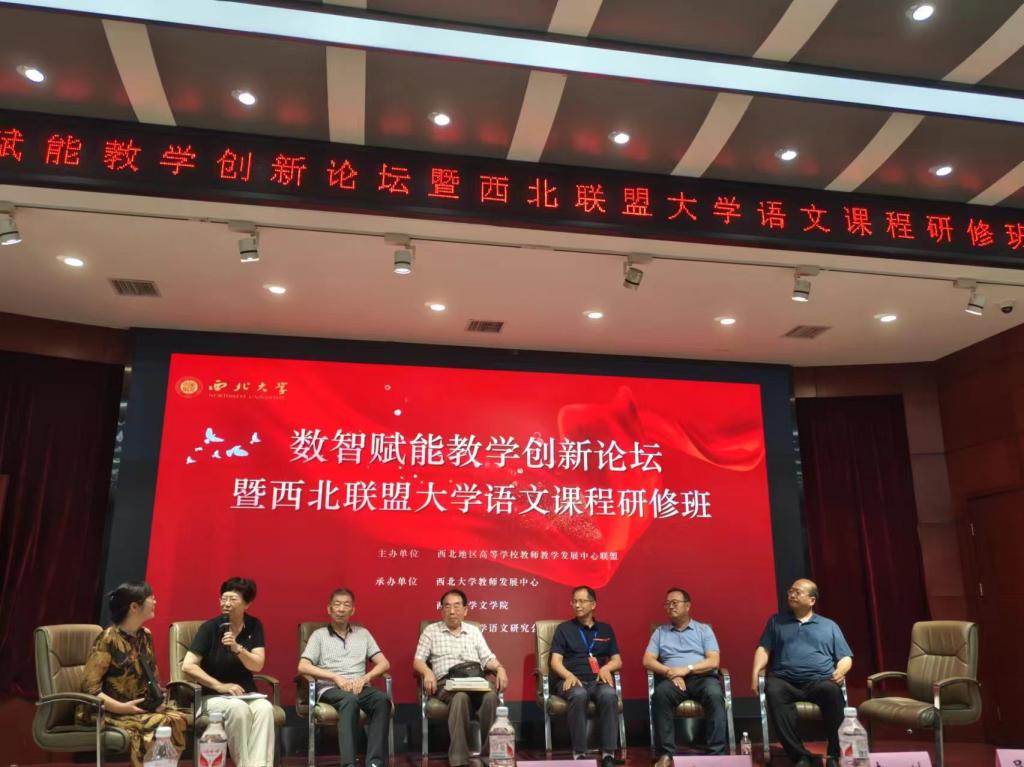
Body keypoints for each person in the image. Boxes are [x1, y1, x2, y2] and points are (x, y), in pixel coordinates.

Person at [77, 581, 188, 767]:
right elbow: (90, 689)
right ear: (134, 607)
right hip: (105, 710)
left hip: (137, 706)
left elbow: (151, 676)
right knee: (155, 723)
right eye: (151, 598)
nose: (155, 601)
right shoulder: (108, 638)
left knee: (177, 718)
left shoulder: (145, 636)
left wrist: (156, 700)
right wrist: (122, 708)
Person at [751, 578, 853, 767]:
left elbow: (846, 657)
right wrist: (755, 674)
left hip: (819, 680)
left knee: (833, 692)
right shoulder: (776, 621)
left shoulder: (829, 625)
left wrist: (840, 670)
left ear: (812, 600)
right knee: (772, 690)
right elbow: (763, 649)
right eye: (790, 591)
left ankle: (833, 756)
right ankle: (800, 756)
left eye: (797, 592)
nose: (792, 594)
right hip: (785, 680)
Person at [181, 577, 275, 767]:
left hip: (245, 694)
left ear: (247, 604)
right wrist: (220, 686)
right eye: (223, 599)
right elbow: (188, 665)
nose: (226, 604)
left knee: (265, 708)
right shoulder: (210, 628)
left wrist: (237, 648)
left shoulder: (254, 625)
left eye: (233, 599)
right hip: (212, 695)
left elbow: (257, 665)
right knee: (238, 709)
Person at [413, 589, 508, 767]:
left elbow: (488, 658)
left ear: (465, 610)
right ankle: (459, 760)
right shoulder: (431, 631)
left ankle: (493, 755)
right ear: (441, 611)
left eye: (457, 606)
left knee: (490, 698)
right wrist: (427, 672)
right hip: (447, 684)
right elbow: (418, 660)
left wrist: (500, 668)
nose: (452, 611)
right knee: (460, 697)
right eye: (447, 606)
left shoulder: (473, 632)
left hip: (476, 682)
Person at [298, 588, 391, 767]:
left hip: (359, 686)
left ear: (352, 610)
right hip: (329, 688)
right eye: (337, 604)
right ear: (329, 609)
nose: (341, 609)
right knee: (349, 700)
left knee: (382, 700)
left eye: (346, 605)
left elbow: (384, 663)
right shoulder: (319, 635)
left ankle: (375, 763)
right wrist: (335, 677)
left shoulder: (363, 633)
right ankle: (348, 764)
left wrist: (365, 678)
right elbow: (303, 666)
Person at [643, 588, 728, 762]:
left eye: (675, 603)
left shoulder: (703, 630)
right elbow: (647, 660)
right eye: (667, 604)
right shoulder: (660, 632)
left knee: (715, 695)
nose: (670, 607)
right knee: (660, 695)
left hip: (702, 678)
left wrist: (686, 669)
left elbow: (713, 661)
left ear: (687, 606)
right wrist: (670, 672)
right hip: (673, 680)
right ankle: (666, 754)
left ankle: (716, 755)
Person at [550, 585, 622, 767]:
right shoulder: (564, 629)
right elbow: (555, 662)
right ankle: (580, 753)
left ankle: (608, 754)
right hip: (571, 681)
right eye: (574, 601)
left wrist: (606, 668)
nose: (577, 605)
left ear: (593, 604)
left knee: (609, 694)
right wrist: (568, 675)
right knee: (579, 694)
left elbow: (617, 660)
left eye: (582, 601)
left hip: (597, 680)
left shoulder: (605, 629)